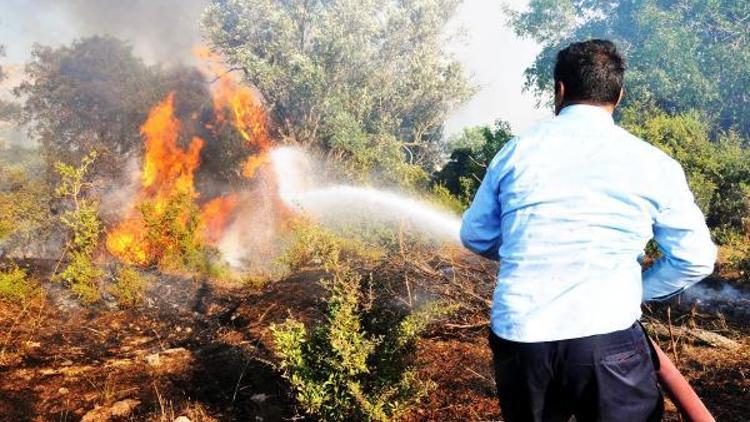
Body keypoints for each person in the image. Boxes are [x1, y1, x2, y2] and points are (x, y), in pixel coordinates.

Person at [460, 39, 717, 422]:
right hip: (608, 336)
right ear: (620, 95)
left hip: (521, 338)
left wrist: (530, 247)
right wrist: (639, 290)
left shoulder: (515, 152)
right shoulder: (652, 162)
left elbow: (475, 236)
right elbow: (695, 258)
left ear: (559, 90)